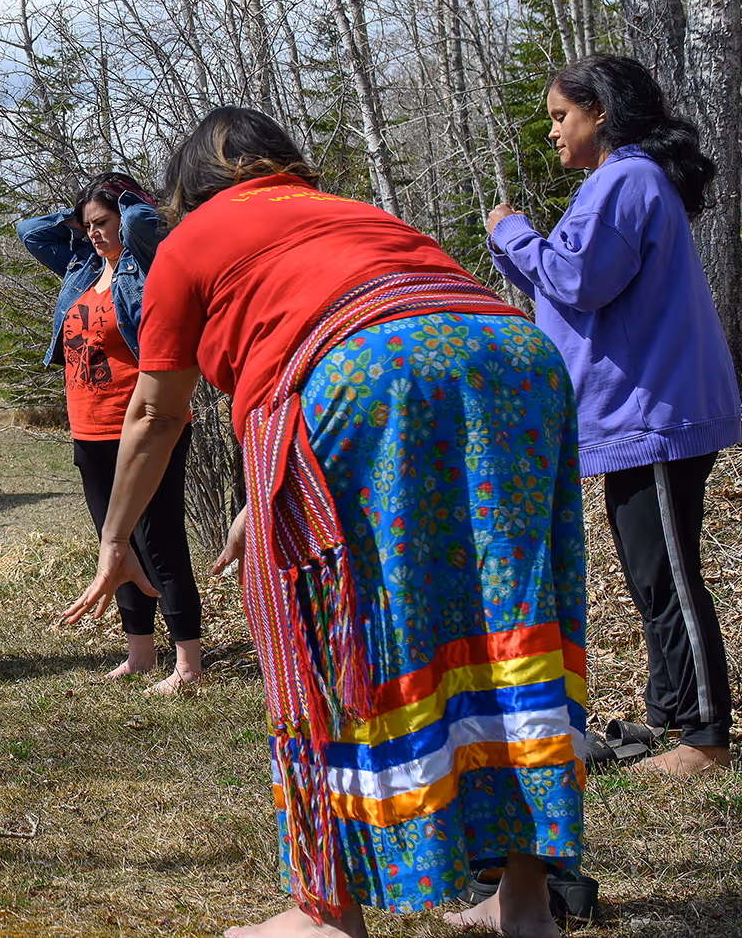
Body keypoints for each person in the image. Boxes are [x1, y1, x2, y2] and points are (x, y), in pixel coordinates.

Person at [63, 107, 583, 938]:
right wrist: (256, 497)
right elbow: (369, 319)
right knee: (509, 621)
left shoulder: (188, 242)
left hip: (364, 374)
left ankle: (326, 910)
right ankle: (526, 899)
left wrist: (114, 537)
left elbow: (156, 415)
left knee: (317, 638)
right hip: (515, 358)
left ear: (190, 187)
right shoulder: (354, 211)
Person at [488, 54, 739, 778]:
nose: (555, 134)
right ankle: (670, 715)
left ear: (601, 113)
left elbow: (578, 277)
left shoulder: (625, 178)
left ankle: (705, 735)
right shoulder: (622, 180)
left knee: (667, 574)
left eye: (561, 117)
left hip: (654, 411)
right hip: (644, 413)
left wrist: (509, 230)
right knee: (650, 569)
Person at [19, 171, 203, 694]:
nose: (95, 233)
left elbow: (148, 222)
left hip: (145, 425)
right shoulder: (81, 267)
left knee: (160, 540)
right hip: (89, 428)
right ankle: (141, 652)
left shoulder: (148, 267)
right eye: (88, 226)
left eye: (104, 223)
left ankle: (188, 660)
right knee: (115, 547)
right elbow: (29, 231)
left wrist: (124, 202)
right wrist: (79, 221)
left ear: (125, 216)